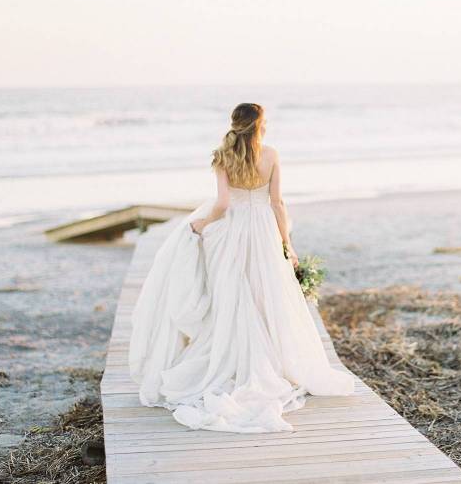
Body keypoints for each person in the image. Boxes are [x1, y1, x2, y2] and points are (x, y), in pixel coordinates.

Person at [128, 102, 354, 433]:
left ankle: (232, 361)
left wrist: (201, 225)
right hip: (263, 231)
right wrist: (287, 245)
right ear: (260, 125)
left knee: (231, 297)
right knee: (266, 296)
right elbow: (277, 203)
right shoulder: (272, 155)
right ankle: (271, 362)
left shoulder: (222, 155)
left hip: (231, 232)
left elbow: (221, 204)